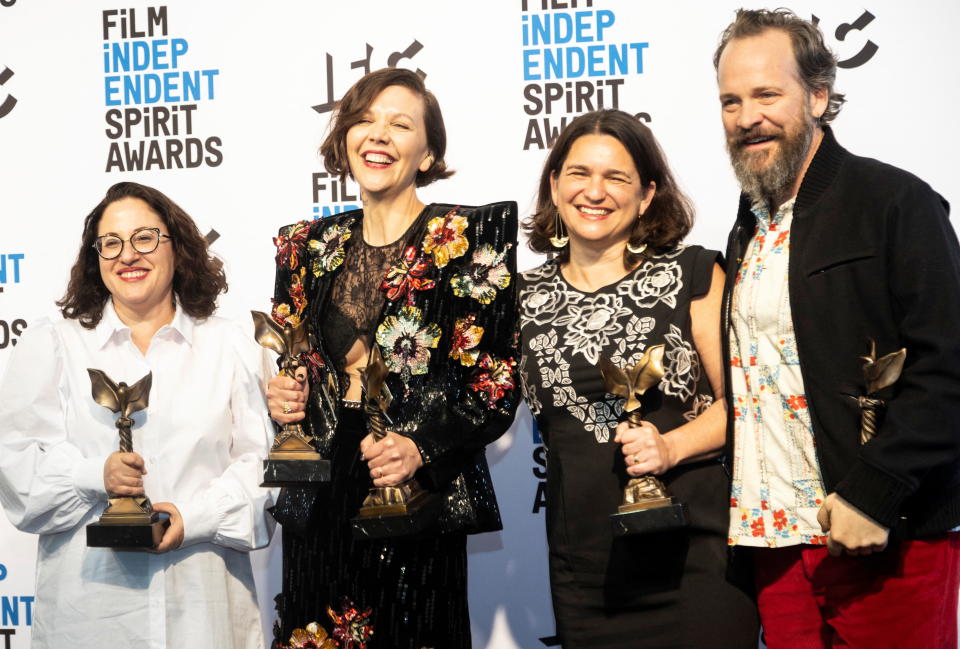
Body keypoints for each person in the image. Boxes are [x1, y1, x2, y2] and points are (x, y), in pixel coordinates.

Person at [715, 9, 960, 648]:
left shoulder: (895, 202)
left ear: (819, 95)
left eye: (768, 94)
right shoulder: (750, 227)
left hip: (884, 536)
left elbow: (950, 364)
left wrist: (875, 492)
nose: (747, 117)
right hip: (776, 545)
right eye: (731, 101)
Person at [265, 67, 519, 649]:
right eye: (364, 120)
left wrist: (419, 445)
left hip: (415, 487)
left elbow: (495, 385)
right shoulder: (306, 246)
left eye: (400, 124)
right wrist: (282, 396)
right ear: (345, 139)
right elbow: (289, 361)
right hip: (321, 486)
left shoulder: (468, 238)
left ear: (427, 153)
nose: (378, 135)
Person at [517, 109, 758, 648]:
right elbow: (472, 409)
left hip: (696, 561)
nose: (594, 191)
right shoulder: (519, 301)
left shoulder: (692, 273)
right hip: (587, 573)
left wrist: (669, 448)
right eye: (578, 174)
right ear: (554, 186)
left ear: (646, 195)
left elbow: (744, 402)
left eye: (617, 177)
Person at [0, 181, 276, 648]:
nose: (128, 255)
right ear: (96, 258)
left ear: (177, 246)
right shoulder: (54, 345)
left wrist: (195, 518)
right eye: (111, 243)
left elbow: (263, 469)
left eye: (145, 237)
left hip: (205, 618)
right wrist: (95, 475)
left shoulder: (233, 345)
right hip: (91, 620)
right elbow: (18, 479)